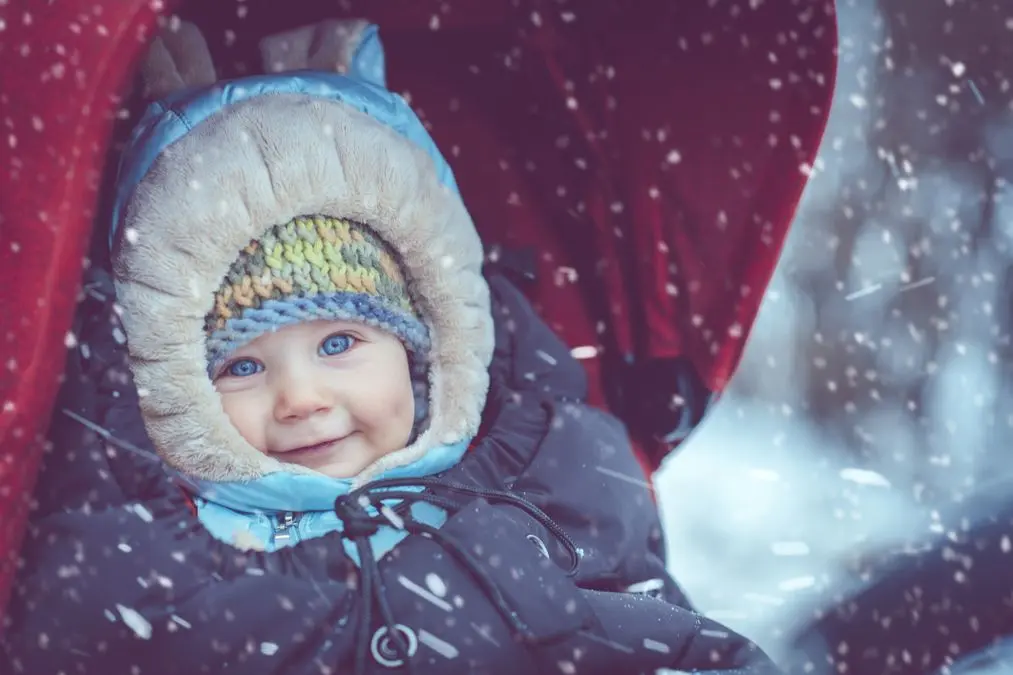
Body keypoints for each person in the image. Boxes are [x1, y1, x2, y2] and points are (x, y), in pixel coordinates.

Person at [1, 19, 780, 674]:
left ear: (419, 347)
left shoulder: (544, 483)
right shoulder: (145, 548)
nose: (300, 397)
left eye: (338, 341)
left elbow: (653, 630)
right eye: (241, 365)